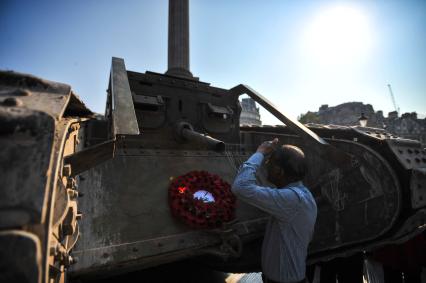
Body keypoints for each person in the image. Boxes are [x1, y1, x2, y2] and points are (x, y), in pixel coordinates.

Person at [232, 138, 317, 283]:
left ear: (279, 171)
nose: (265, 165)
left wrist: (259, 153)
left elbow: (240, 187)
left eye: (268, 163)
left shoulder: (291, 199)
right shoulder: (301, 194)